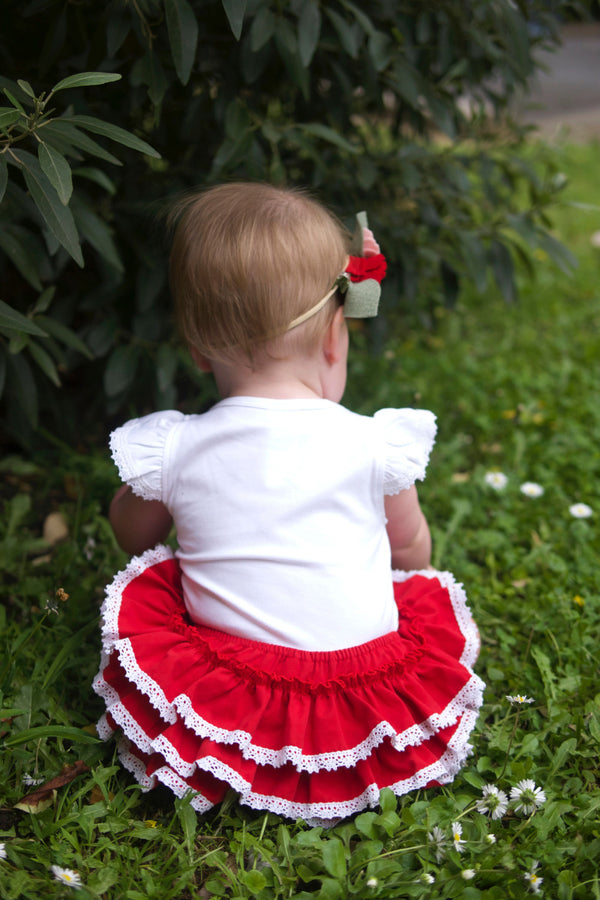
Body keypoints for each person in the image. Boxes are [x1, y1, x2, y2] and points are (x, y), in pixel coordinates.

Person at [93, 182, 484, 826]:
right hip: (363, 691)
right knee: (407, 593)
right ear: (337, 336)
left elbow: (132, 536)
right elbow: (412, 550)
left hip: (230, 692)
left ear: (195, 348)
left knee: (158, 582)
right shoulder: (374, 443)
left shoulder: (176, 448)